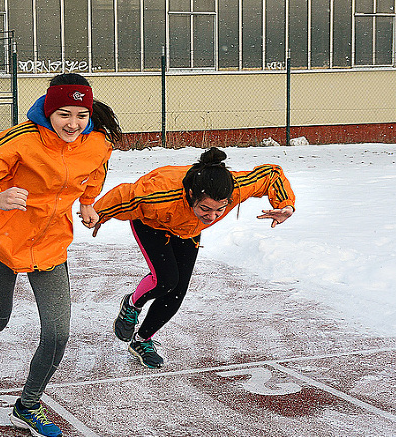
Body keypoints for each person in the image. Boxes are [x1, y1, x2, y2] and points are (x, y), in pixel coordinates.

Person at [0, 73, 121, 437]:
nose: (73, 124)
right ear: (48, 110)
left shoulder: (97, 144)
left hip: (51, 244)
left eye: (81, 115)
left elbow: (94, 173)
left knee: (57, 333)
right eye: (64, 115)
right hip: (4, 239)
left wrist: (87, 204)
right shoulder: (21, 139)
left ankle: (28, 404)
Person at [89, 147, 295, 369]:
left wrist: (285, 204)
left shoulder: (235, 187)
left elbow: (270, 175)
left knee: (177, 293)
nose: (212, 216)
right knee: (166, 280)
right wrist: (98, 215)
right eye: (205, 208)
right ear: (190, 195)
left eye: (219, 210)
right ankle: (131, 305)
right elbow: (125, 195)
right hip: (152, 224)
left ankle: (142, 341)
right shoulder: (158, 194)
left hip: (187, 230)